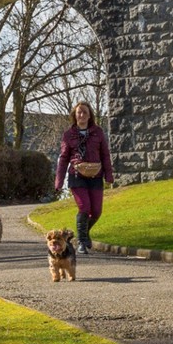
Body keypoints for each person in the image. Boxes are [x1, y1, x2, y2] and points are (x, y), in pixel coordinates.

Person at [54, 101, 113, 254]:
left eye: (85, 112)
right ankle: (81, 242)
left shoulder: (98, 132)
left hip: (95, 175)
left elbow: (105, 155)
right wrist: (59, 181)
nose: (81, 115)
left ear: (89, 115)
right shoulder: (68, 135)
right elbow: (63, 158)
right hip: (76, 175)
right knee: (84, 207)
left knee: (97, 211)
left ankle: (84, 233)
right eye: (79, 112)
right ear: (74, 115)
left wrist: (109, 175)